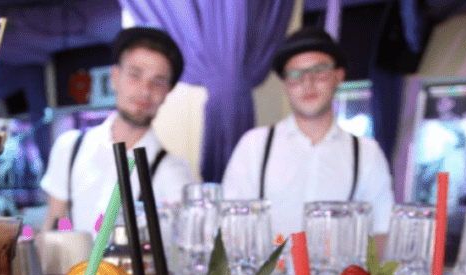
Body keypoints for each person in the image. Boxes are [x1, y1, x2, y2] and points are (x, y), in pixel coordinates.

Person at [221, 27, 394, 246]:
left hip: (340, 269)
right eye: (295, 74)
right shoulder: (254, 145)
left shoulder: (367, 153)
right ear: (286, 84)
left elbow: (381, 231)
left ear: (338, 76)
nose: (307, 82)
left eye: (319, 71)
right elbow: (229, 225)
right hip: (267, 269)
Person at [40, 27, 196, 236]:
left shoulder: (173, 172)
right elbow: (53, 224)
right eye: (135, 75)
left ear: (168, 92)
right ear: (115, 76)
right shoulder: (69, 147)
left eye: (157, 82)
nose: (145, 90)